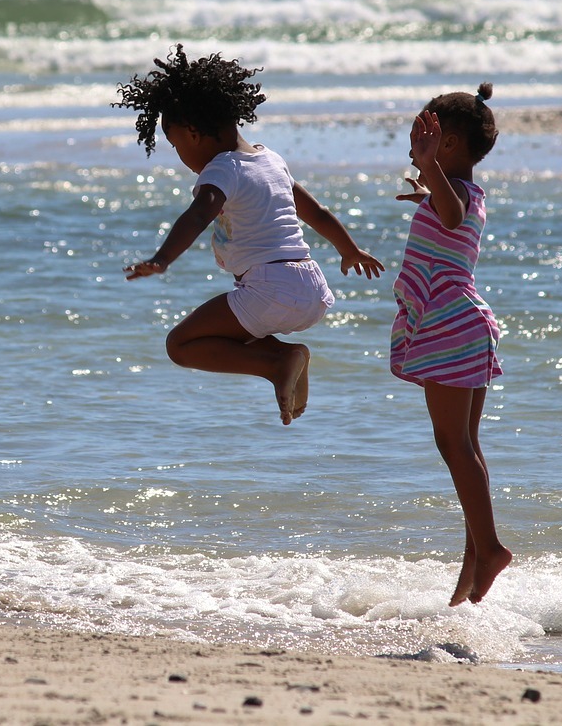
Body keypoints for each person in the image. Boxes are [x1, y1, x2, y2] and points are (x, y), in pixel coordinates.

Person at [116, 44, 384, 425]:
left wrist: (162, 259)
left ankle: (278, 364)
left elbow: (197, 215)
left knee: (180, 344)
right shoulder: (270, 159)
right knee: (234, 332)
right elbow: (317, 213)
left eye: (175, 145)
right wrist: (350, 250)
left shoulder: (222, 168)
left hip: (270, 286)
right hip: (311, 287)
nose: (179, 155)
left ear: (193, 132)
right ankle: (284, 357)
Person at [392, 83, 512, 605]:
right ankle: (473, 555)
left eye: (426, 138)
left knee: (452, 444)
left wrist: (430, 174)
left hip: (449, 324)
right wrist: (427, 183)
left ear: (452, 143)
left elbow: (452, 215)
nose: (415, 147)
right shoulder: (461, 188)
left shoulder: (456, 193)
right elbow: (448, 212)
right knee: (466, 445)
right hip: (463, 325)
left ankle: (489, 549)